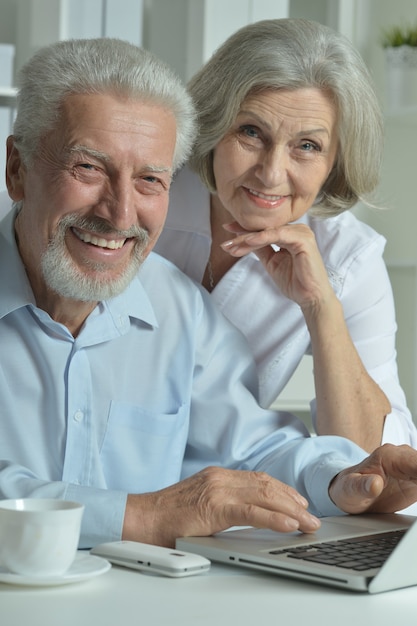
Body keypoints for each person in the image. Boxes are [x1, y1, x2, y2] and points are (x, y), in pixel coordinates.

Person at [2, 37, 417, 552]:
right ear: (16, 169)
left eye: (150, 179)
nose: (121, 214)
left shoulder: (179, 306)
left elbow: (256, 446)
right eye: (88, 168)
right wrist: (143, 516)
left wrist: (341, 481)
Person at [154, 18, 417, 453]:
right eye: (251, 132)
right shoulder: (144, 196)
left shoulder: (348, 257)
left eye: (308, 146)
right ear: (213, 126)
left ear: (336, 160)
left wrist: (320, 305)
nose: (272, 173)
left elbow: (377, 461)